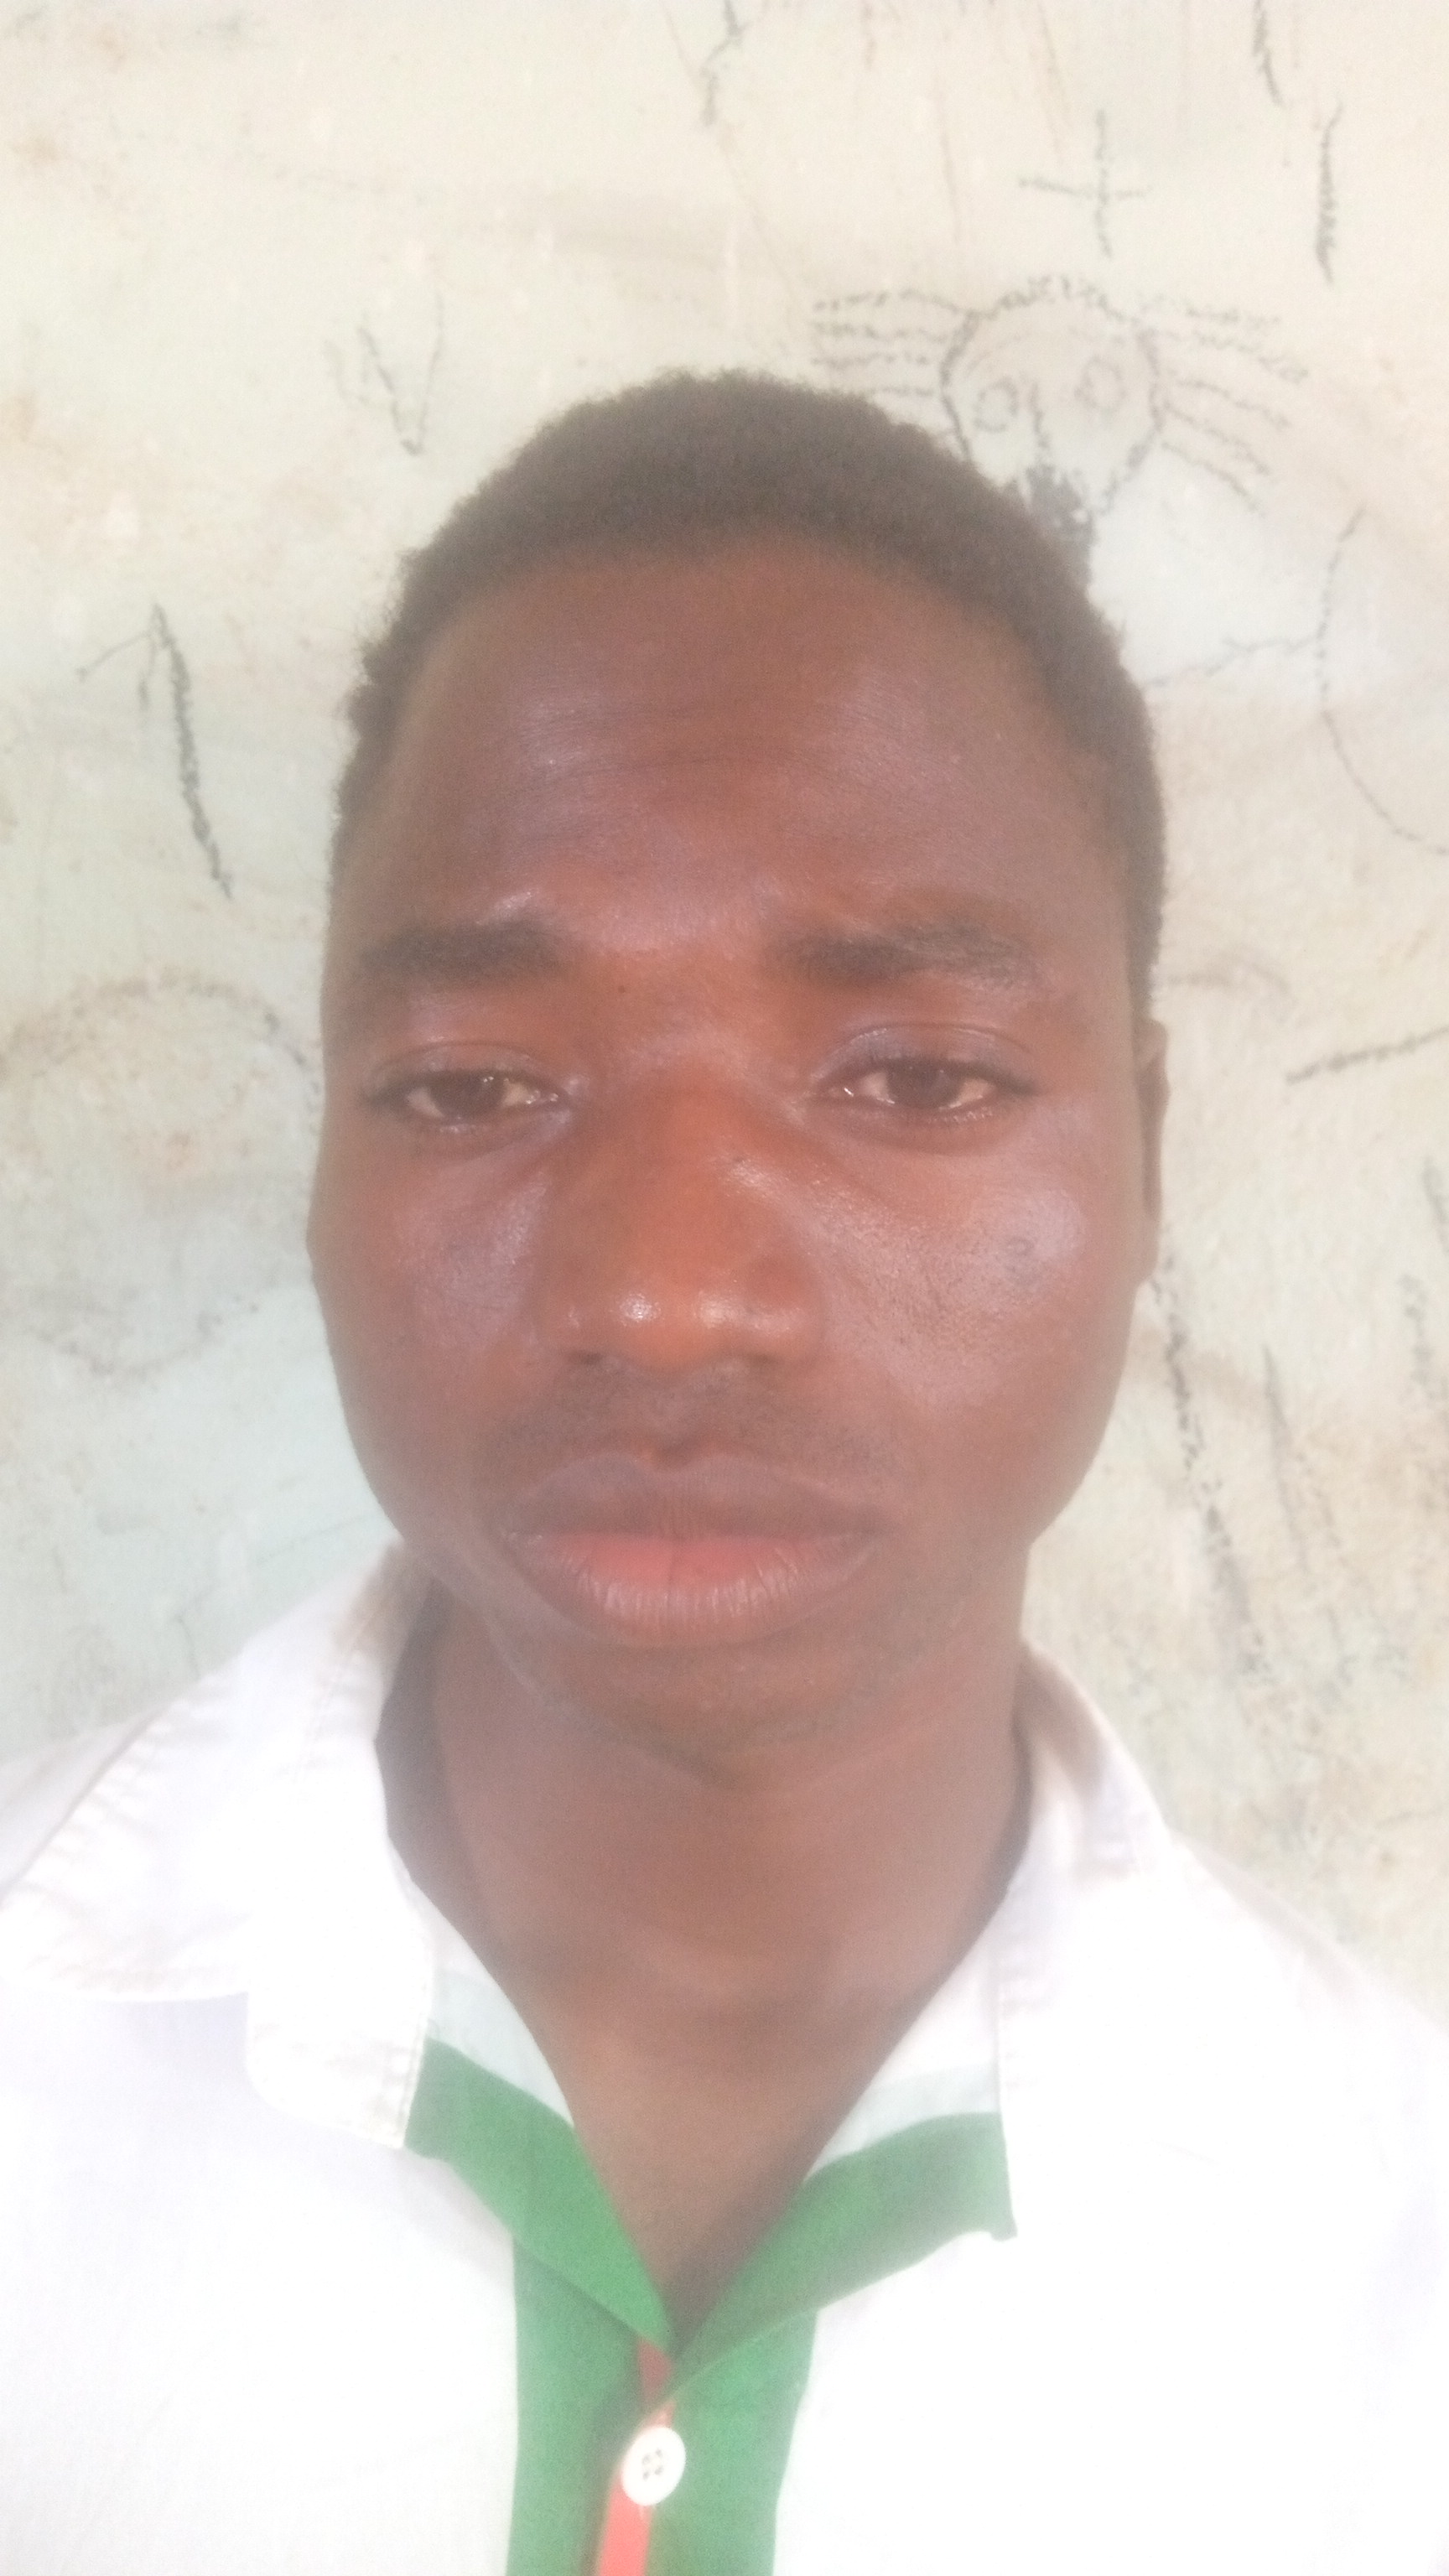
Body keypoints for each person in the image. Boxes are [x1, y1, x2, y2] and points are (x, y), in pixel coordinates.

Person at [0, 374, 1445, 2576]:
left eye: (917, 1078)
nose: (667, 1296)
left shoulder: (1392, 2268)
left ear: (1146, 1151)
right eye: (474, 1086)